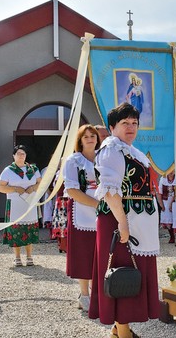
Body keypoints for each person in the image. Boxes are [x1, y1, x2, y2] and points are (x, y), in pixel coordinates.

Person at [88, 103, 160, 338]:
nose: (131, 127)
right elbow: (110, 191)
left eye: (134, 123)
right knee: (122, 273)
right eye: (124, 123)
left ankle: (118, 330)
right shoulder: (112, 149)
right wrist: (123, 223)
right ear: (112, 127)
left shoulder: (131, 150)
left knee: (131, 272)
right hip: (120, 221)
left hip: (135, 221)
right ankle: (124, 332)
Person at [62, 124, 100, 312]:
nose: (90, 139)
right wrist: (96, 204)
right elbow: (71, 190)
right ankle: (84, 294)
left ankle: (97, 292)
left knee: (99, 253)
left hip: (104, 212)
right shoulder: (73, 161)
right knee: (84, 253)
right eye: (86, 136)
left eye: (93, 135)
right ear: (80, 140)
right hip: (81, 211)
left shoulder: (103, 158)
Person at [0, 145, 42, 267]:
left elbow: (40, 183)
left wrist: (32, 187)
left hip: (29, 202)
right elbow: (0, 187)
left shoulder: (33, 169)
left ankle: (29, 256)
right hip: (15, 203)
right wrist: (16, 188)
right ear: (14, 156)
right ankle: (17, 257)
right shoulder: (8, 170)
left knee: (29, 229)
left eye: (23, 153)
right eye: (18, 153)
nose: (21, 156)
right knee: (16, 229)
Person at [158, 170, 176, 243]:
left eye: (172, 170)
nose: (171, 172)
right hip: (165, 201)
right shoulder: (163, 179)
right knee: (168, 219)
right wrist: (161, 204)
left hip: (175, 200)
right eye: (170, 170)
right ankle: (172, 236)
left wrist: (172, 203)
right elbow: (159, 192)